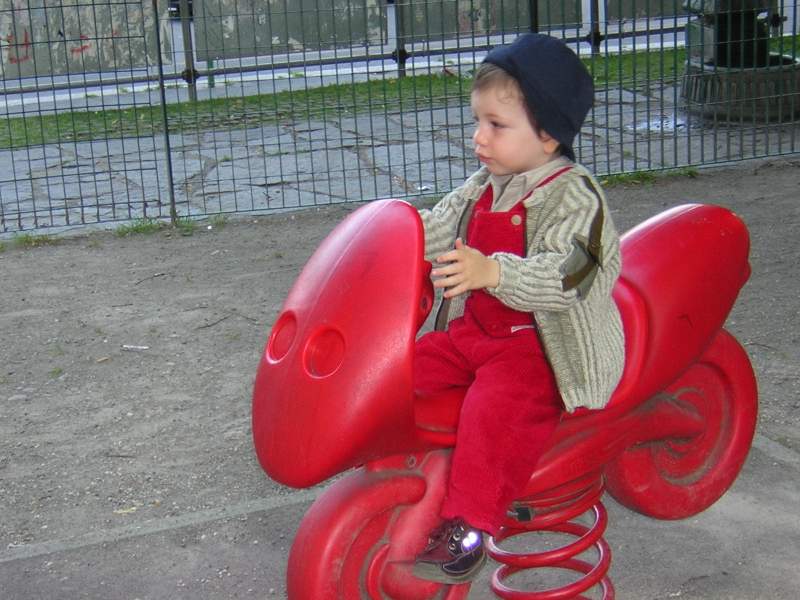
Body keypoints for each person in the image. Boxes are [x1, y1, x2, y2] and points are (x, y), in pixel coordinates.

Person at [412, 33, 626, 584]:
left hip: (541, 349)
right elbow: (437, 227)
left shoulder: (576, 198)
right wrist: (394, 236)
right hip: (478, 333)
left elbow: (569, 277)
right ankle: (398, 464)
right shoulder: (485, 184)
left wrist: (494, 272)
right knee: (407, 368)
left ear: (548, 134)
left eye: (496, 125)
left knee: (495, 413)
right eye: (477, 121)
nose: (478, 137)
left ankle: (468, 528)